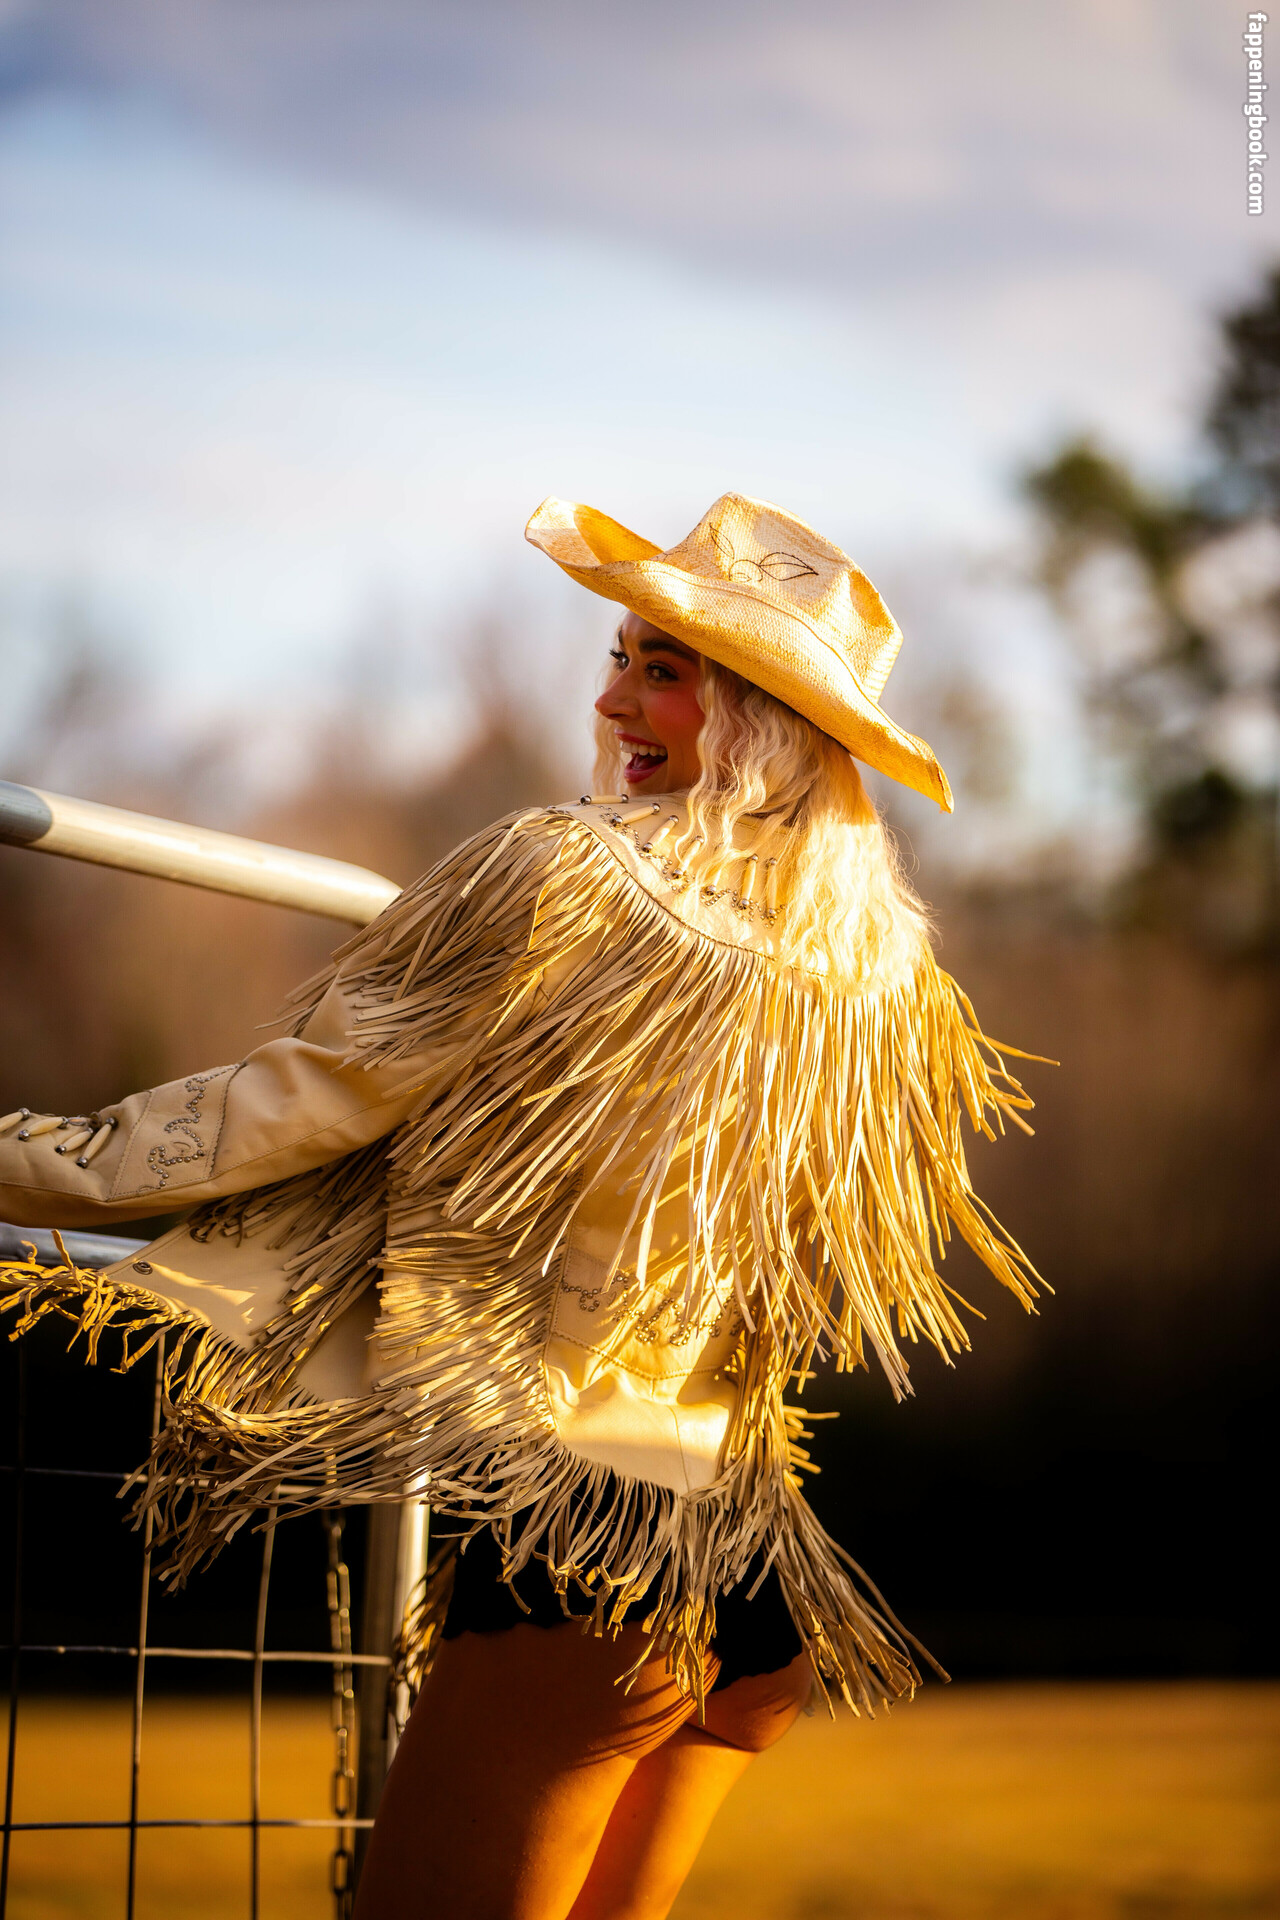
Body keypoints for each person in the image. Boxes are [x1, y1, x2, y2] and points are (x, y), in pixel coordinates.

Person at [0, 493, 1041, 1919]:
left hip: (574, 1559)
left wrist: (26, 1159)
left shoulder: (566, 870)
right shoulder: (880, 983)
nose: (609, 699)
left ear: (759, 715)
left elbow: (294, 1102)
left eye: (663, 670)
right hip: (746, 1568)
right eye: (619, 658)